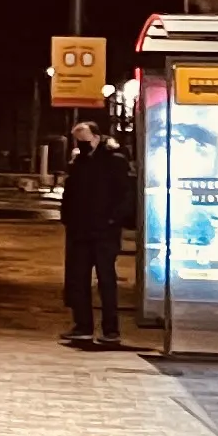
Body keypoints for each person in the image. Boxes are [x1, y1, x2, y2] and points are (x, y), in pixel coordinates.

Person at [59, 119, 132, 346]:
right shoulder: (79, 162)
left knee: (106, 280)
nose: (81, 145)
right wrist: (68, 219)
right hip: (81, 231)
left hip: (104, 231)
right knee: (78, 280)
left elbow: (125, 195)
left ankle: (111, 329)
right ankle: (83, 326)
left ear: (96, 137)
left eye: (84, 140)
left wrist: (113, 219)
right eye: (78, 141)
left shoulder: (114, 161)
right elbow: (70, 194)